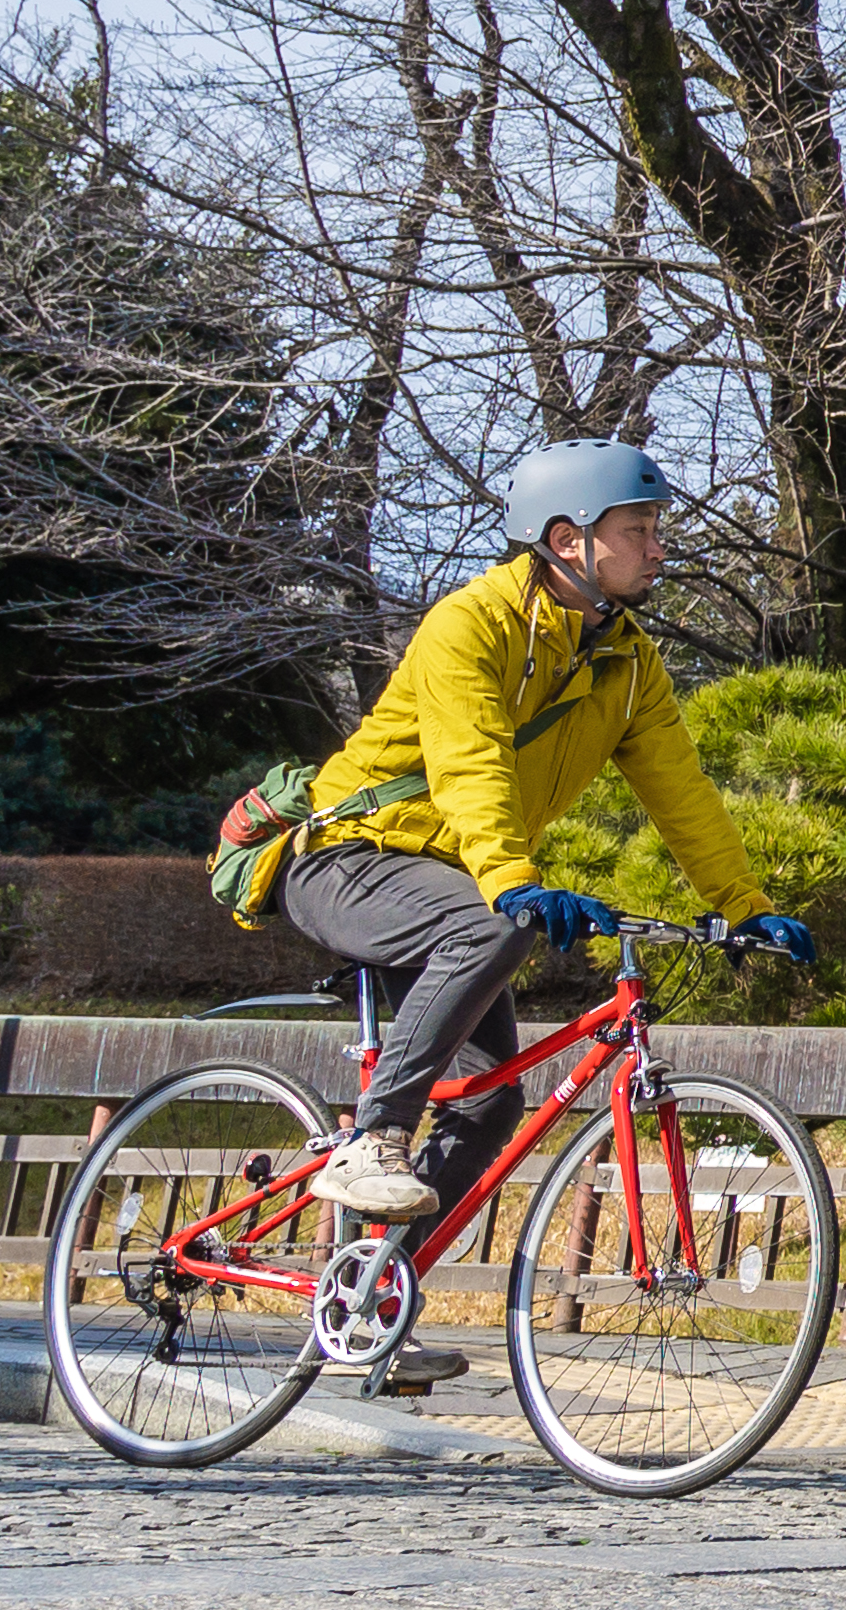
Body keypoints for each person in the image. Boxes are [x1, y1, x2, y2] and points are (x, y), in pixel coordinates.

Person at [270, 443, 807, 1355]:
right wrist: (512, 880)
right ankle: (376, 1138)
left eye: (656, 530)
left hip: (456, 883)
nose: (657, 548)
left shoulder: (627, 663)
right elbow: (472, 764)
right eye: (637, 531)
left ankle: (366, 1302)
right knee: (487, 928)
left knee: (486, 1104)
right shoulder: (468, 626)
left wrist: (741, 902)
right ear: (568, 540)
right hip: (351, 857)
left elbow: (682, 791)